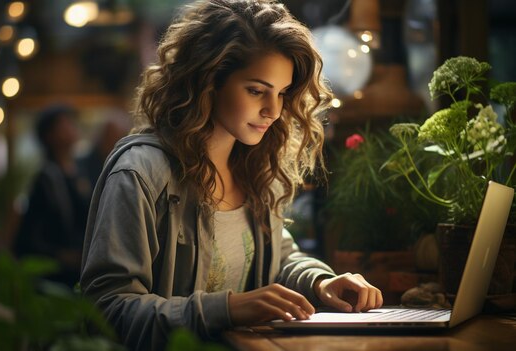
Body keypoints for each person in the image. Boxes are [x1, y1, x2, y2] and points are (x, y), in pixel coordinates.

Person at [80, 1, 383, 350]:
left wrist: (319, 281)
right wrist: (225, 309)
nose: (273, 110)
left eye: (282, 93)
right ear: (208, 80)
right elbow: (107, 310)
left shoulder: (257, 168)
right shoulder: (140, 173)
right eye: (256, 90)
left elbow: (279, 256)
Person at [14, 104, 90, 288]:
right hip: (58, 278)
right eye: (64, 124)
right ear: (49, 136)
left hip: (80, 270)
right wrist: (61, 255)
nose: (71, 127)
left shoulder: (80, 172)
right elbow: (28, 237)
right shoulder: (46, 179)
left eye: (71, 123)